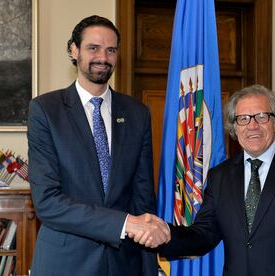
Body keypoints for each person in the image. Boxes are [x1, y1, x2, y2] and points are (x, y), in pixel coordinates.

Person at [27, 15, 170, 275]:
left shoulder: (137, 114)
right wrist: (124, 224)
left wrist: (150, 266)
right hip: (66, 263)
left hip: (124, 263)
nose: (103, 57)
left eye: (111, 50)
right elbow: (47, 202)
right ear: (74, 50)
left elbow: (143, 197)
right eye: (93, 48)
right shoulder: (45, 111)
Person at [150, 85, 275, 275]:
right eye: (243, 119)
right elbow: (203, 235)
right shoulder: (220, 177)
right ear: (234, 127)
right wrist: (165, 234)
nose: (252, 126)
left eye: (262, 116)